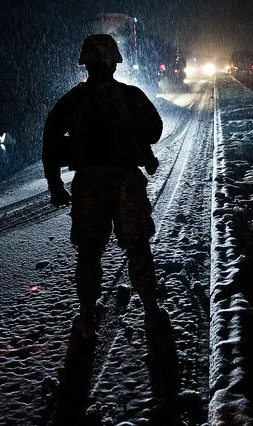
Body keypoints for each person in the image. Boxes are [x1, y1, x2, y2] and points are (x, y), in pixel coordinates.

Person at [42, 34, 167, 340]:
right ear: (114, 62)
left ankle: (86, 319)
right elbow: (154, 131)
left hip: (88, 186)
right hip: (125, 183)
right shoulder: (130, 96)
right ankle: (151, 313)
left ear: (86, 63)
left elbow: (50, 142)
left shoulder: (71, 101)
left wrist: (55, 184)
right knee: (137, 248)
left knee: (88, 252)